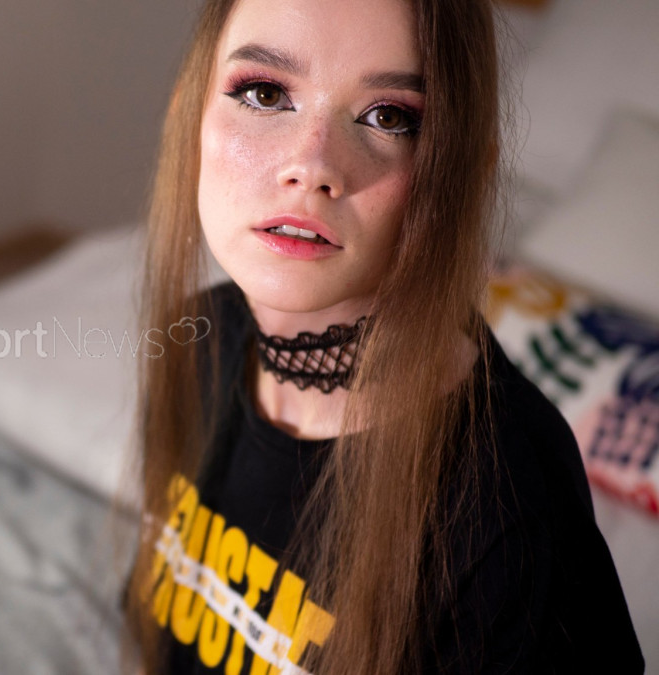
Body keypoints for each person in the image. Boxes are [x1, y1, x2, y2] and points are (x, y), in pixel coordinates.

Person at [121, 0, 644, 673]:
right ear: (186, 114)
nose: (312, 164)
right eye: (265, 93)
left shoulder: (509, 501)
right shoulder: (199, 336)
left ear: (463, 172)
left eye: (389, 117)